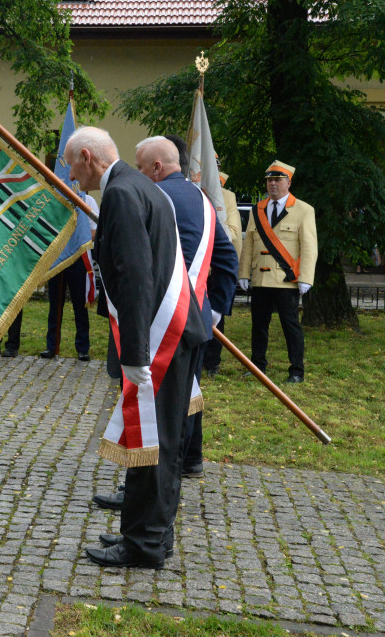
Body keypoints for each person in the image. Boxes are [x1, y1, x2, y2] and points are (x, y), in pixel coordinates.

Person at [66, 126, 205, 569]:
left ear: (87, 157)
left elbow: (135, 276)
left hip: (160, 339)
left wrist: (136, 354)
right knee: (163, 444)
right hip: (175, 333)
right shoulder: (140, 185)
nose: (71, 176)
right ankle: (153, 533)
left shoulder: (123, 195)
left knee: (152, 443)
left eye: (71, 164)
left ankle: (143, 544)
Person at [134, 136, 237, 480]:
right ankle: (190, 459)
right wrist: (215, 310)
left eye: (140, 168)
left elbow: (140, 261)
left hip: (163, 318)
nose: (137, 176)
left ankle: (154, 482)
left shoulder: (156, 198)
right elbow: (226, 257)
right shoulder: (202, 198)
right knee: (187, 393)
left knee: (158, 405)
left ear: (157, 168)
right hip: (197, 318)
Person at [238, 161, 318, 383]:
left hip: (287, 280)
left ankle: (296, 371)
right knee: (259, 326)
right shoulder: (258, 210)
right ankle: (257, 367)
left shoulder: (303, 210)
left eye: (277, 179)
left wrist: (305, 278)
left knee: (290, 326)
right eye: (269, 180)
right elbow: (249, 245)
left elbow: (309, 247)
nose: (272, 184)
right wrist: (244, 273)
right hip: (261, 279)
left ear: (288, 182)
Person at [38, 193, 98, 361]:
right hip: (58, 257)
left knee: (80, 304)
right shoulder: (55, 198)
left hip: (78, 257)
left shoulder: (88, 201)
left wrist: (76, 242)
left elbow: (94, 230)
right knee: (55, 305)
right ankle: (51, 346)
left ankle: (82, 347)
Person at [202, 169, 243, 377]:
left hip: (215, 267)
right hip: (194, 264)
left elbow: (234, 232)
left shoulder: (227, 197)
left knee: (216, 313)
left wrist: (208, 227)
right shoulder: (192, 190)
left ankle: (212, 362)